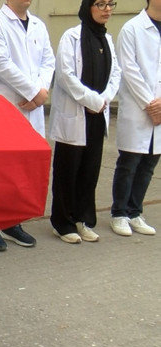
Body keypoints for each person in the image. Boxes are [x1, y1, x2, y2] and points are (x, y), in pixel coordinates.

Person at [0, 0, 55, 251]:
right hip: (6, 106)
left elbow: (48, 62)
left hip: (32, 106)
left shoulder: (38, 25)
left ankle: (12, 222)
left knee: (21, 170)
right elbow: (1, 64)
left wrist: (40, 92)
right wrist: (33, 91)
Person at [49, 0, 121, 244]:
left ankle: (84, 219)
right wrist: (92, 100)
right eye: (100, 4)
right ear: (88, 7)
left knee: (90, 170)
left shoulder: (107, 39)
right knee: (67, 170)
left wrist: (103, 100)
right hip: (76, 114)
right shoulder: (71, 37)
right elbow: (65, 75)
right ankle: (62, 223)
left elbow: (116, 73)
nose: (107, 9)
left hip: (97, 115)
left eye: (110, 3)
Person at [109, 0, 161, 237]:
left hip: (159, 108)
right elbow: (129, 70)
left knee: (149, 164)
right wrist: (151, 104)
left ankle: (134, 211)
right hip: (138, 107)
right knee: (129, 163)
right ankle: (119, 213)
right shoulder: (132, 28)